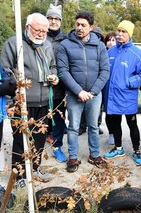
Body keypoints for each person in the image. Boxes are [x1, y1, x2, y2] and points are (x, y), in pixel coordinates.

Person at [0, 12, 59, 184]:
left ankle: (35, 168)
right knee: (20, 140)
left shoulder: (47, 45)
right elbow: (5, 72)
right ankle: (19, 176)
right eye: (38, 30)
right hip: (23, 101)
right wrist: (13, 99)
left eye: (45, 31)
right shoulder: (14, 43)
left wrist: (54, 76)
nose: (41, 34)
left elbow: (53, 66)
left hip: (44, 100)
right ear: (27, 27)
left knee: (39, 138)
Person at [56, 10, 110, 173]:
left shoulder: (99, 45)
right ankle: (73, 157)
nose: (79, 27)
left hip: (94, 95)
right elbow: (63, 71)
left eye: (83, 25)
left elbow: (105, 70)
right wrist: (79, 91)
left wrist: (92, 92)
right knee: (73, 127)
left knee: (94, 126)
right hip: (74, 95)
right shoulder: (66, 45)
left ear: (91, 27)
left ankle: (94, 155)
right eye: (77, 24)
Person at [103, 20, 141, 166]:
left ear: (130, 34)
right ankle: (118, 148)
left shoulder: (136, 53)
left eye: (124, 32)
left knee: (132, 125)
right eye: (119, 31)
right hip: (112, 96)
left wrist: (129, 82)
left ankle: (136, 150)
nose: (120, 34)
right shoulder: (110, 51)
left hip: (127, 97)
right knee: (114, 123)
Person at [46, 4, 68, 163]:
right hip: (40, 86)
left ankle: (57, 146)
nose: (53, 21)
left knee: (59, 118)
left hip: (59, 87)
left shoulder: (66, 40)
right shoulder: (40, 36)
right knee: (41, 118)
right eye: (50, 18)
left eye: (56, 18)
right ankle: (36, 146)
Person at [78, 26, 106, 136]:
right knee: (82, 108)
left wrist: (95, 89)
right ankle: (82, 125)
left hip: (97, 83)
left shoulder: (101, 48)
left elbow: (104, 69)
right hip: (83, 84)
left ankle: (96, 124)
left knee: (97, 109)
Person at [104, 32, 117, 145]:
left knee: (116, 113)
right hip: (105, 86)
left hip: (116, 87)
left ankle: (117, 132)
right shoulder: (103, 53)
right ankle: (111, 133)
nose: (111, 42)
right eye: (109, 40)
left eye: (113, 40)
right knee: (108, 112)